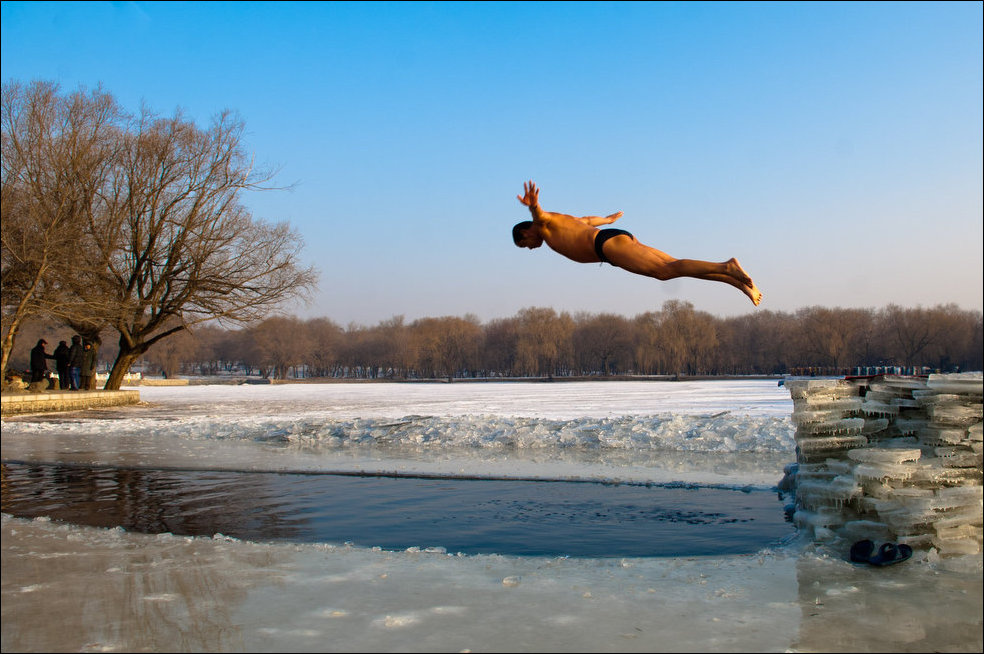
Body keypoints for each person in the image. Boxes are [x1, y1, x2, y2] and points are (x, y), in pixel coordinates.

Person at [512, 181, 762, 306]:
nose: (531, 248)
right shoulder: (561, 222)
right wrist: (607, 219)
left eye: (526, 245)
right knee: (672, 266)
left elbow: (539, 216)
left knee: (666, 271)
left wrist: (533, 205)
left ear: (527, 232)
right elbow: (586, 219)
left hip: (607, 247)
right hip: (613, 237)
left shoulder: (544, 225)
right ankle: (736, 282)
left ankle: (727, 267)